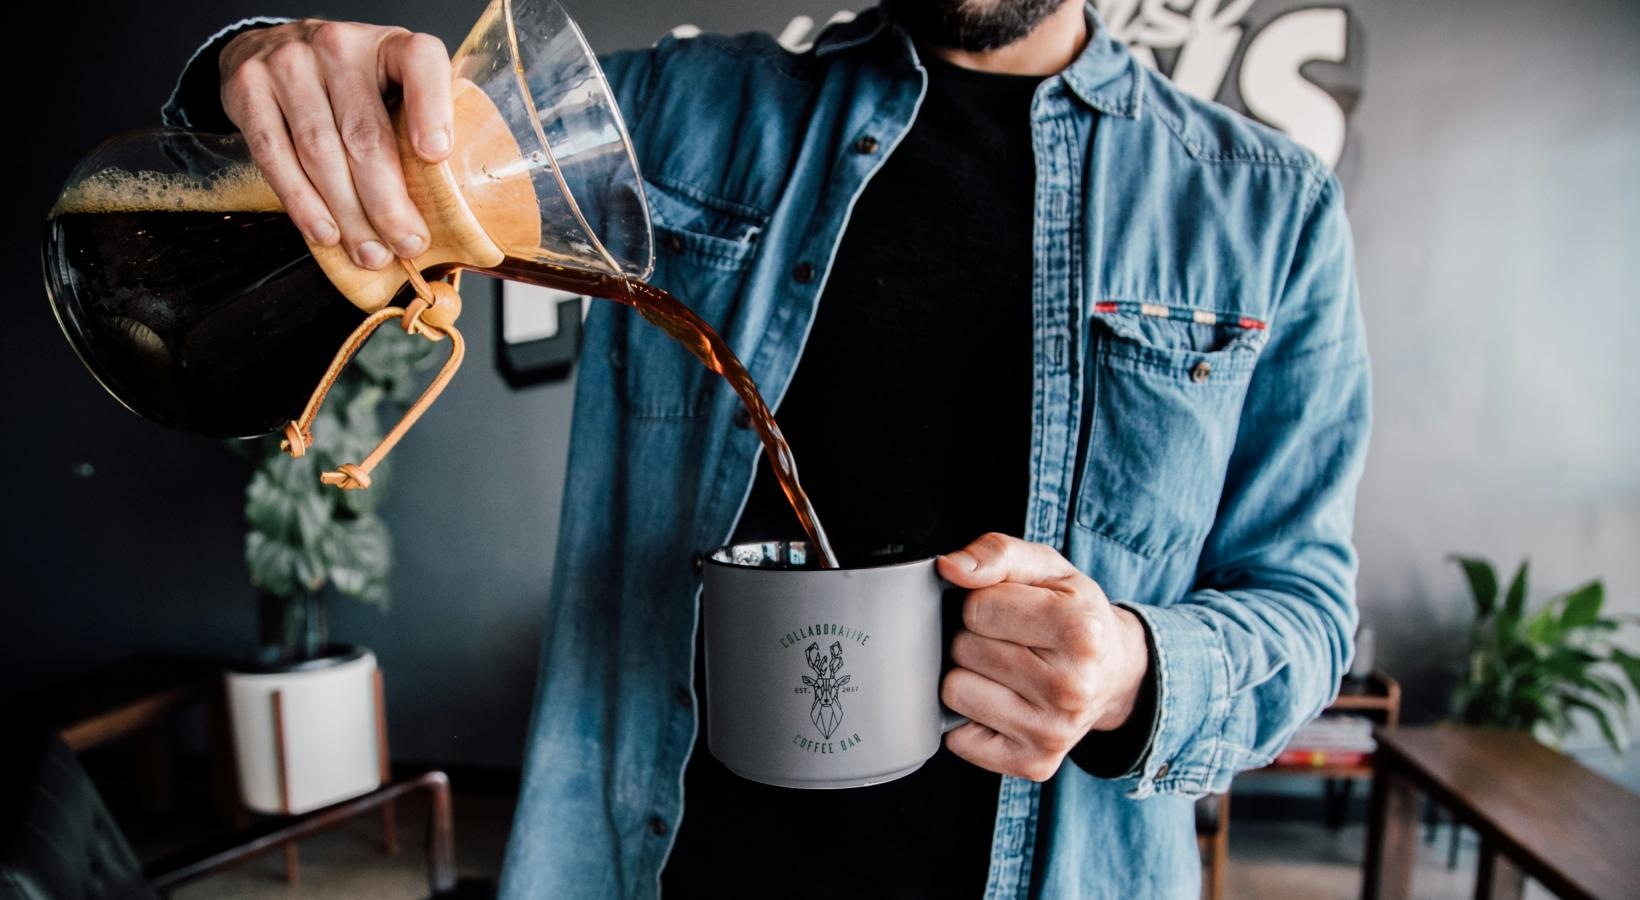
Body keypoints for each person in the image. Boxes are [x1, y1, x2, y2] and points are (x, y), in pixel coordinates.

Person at [162, 1, 1371, 896]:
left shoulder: (1263, 205)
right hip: (671, 864)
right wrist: (258, 65)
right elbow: (389, 135)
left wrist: (1130, 668)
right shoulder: (680, 116)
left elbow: (1304, 607)